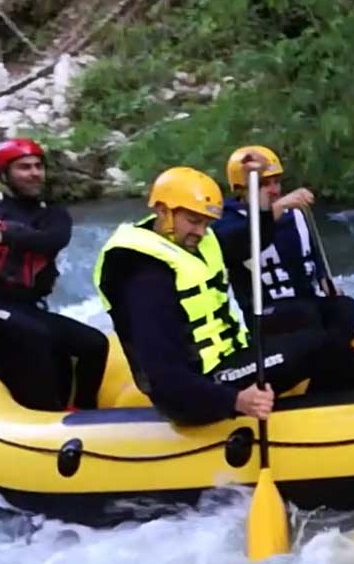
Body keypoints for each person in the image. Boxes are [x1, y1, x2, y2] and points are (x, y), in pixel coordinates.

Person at [93, 166, 341, 426]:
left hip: (228, 363)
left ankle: (342, 411)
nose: (201, 232)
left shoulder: (197, 242)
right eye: (193, 220)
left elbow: (249, 239)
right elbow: (165, 375)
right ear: (162, 210)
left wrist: (263, 200)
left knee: (321, 333)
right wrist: (236, 401)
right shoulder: (145, 276)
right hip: (197, 390)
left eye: (206, 223)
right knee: (318, 346)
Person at [0, 137, 108, 411]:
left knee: (95, 344)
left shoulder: (55, 215)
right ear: (5, 174)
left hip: (24, 307)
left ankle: (85, 412)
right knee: (34, 334)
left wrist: (1, 235)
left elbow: (51, 241)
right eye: (24, 167)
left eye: (38, 166)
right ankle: (44, 415)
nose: (35, 173)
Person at [214, 146, 354, 391]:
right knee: (306, 317)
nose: (274, 190)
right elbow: (241, 238)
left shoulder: (293, 214)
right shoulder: (228, 221)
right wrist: (275, 209)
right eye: (265, 184)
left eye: (277, 182)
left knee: (345, 308)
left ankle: (323, 382)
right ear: (242, 187)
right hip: (268, 313)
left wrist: (322, 278)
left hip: (301, 302)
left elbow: (309, 253)